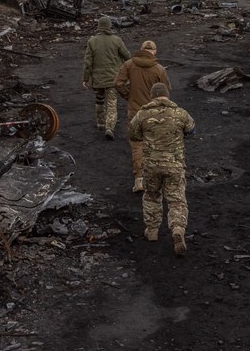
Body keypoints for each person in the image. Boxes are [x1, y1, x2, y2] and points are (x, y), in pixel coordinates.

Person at [129, 83, 195, 255]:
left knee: (152, 196)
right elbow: (192, 130)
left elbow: (133, 134)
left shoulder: (142, 114)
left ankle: (152, 231)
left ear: (152, 96)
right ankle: (178, 230)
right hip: (174, 164)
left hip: (151, 165)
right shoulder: (180, 113)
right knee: (176, 199)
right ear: (167, 96)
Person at [115, 40, 170, 192]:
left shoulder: (129, 64)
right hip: (155, 111)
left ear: (141, 50)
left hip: (135, 110)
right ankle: (156, 178)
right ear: (154, 51)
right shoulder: (159, 69)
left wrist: (128, 96)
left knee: (137, 143)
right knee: (156, 143)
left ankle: (139, 179)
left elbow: (118, 83)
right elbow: (166, 91)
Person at [83, 16, 132, 139]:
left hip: (98, 79)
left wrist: (85, 79)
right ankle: (110, 127)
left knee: (99, 101)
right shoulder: (117, 40)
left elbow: (88, 63)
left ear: (99, 27)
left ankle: (100, 123)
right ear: (110, 26)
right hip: (113, 78)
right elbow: (127, 56)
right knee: (112, 102)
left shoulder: (92, 41)